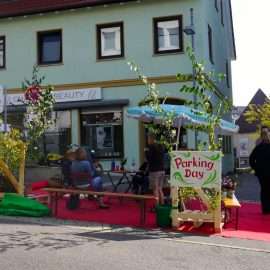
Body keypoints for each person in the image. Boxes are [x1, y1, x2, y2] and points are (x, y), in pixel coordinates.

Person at [249, 129, 270, 214]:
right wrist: (256, 168)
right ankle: (266, 209)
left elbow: (251, 159)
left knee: (265, 190)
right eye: (265, 135)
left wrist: (256, 168)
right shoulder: (258, 148)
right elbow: (251, 159)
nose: (266, 136)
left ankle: (266, 209)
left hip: (261, 173)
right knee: (265, 190)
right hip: (263, 174)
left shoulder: (258, 147)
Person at [145, 133, 165, 205]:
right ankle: (162, 204)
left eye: (148, 138)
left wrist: (146, 152)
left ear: (151, 139)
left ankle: (157, 206)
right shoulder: (161, 147)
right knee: (160, 189)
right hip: (162, 170)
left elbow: (149, 158)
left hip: (154, 171)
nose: (147, 140)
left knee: (155, 189)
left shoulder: (151, 147)